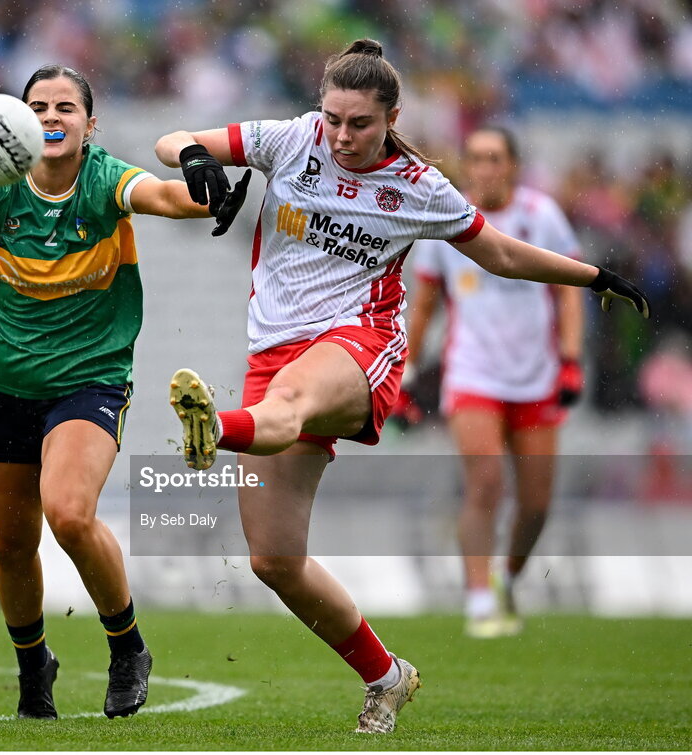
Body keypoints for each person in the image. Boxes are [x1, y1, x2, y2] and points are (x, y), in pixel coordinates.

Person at [155, 39, 649, 734]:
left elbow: (500, 252)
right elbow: (169, 137)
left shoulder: (418, 185)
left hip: (358, 345)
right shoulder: (293, 139)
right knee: (273, 559)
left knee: (286, 404)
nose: (342, 136)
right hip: (272, 349)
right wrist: (195, 156)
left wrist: (591, 275)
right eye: (333, 118)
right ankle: (387, 675)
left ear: (392, 115)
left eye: (359, 123)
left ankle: (214, 425)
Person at [0, 65, 245, 720]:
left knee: (67, 510)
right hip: (3, 381)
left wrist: (206, 190)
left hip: (89, 380)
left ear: (91, 125)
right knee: (10, 541)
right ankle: (33, 662)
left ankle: (127, 646)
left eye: (67, 106)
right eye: (39, 106)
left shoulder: (104, 179)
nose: (52, 115)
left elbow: (166, 197)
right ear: (21, 119)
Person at [401, 126, 585, 638]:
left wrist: (570, 359)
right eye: (477, 157)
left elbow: (568, 291)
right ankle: (479, 598)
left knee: (536, 504)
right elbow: (426, 308)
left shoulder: (541, 216)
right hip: (473, 374)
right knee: (485, 484)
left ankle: (508, 576)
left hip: (536, 376)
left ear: (513, 165)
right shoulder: (447, 216)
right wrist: (408, 375)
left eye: (495, 157)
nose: (485, 167)